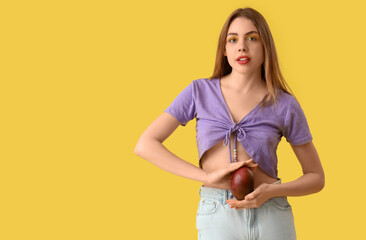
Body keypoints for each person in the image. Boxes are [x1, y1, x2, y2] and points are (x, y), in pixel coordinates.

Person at [134, 7, 324, 240]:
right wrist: (205, 177)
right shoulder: (198, 92)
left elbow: (316, 177)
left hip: (272, 213)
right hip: (217, 214)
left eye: (252, 38)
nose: (242, 47)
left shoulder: (284, 104)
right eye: (233, 40)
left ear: (266, 46)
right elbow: (145, 145)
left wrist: (272, 192)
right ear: (224, 50)